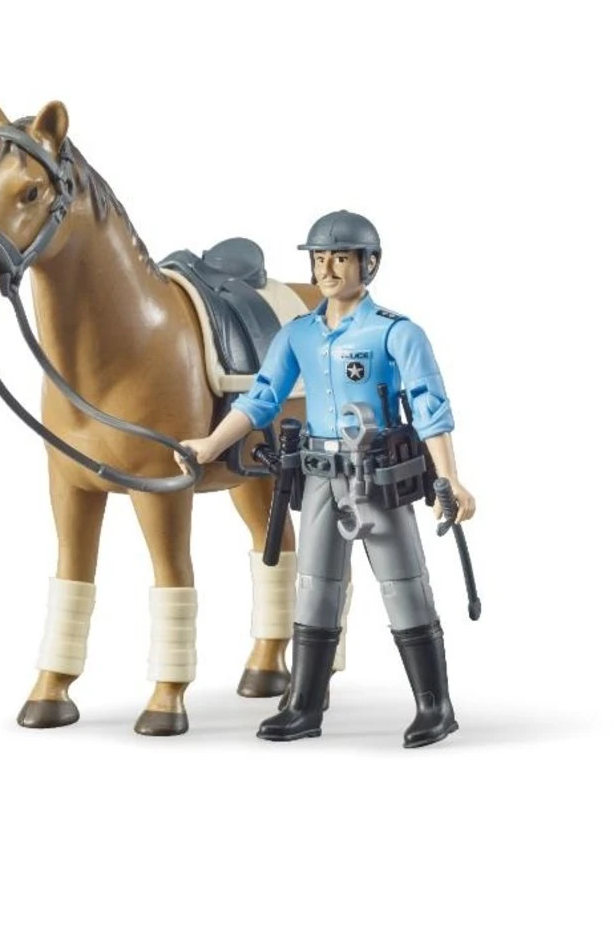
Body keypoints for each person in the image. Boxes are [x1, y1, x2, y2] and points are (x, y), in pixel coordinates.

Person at [176, 210, 475, 745]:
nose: (327, 269)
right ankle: (304, 706)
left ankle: (435, 705)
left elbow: (430, 406)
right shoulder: (298, 335)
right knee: (314, 588)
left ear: (368, 264)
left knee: (404, 587)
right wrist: (211, 445)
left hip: (377, 476)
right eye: (319, 259)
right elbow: (262, 397)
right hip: (318, 476)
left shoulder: (396, 333)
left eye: (340, 258)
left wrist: (449, 477)